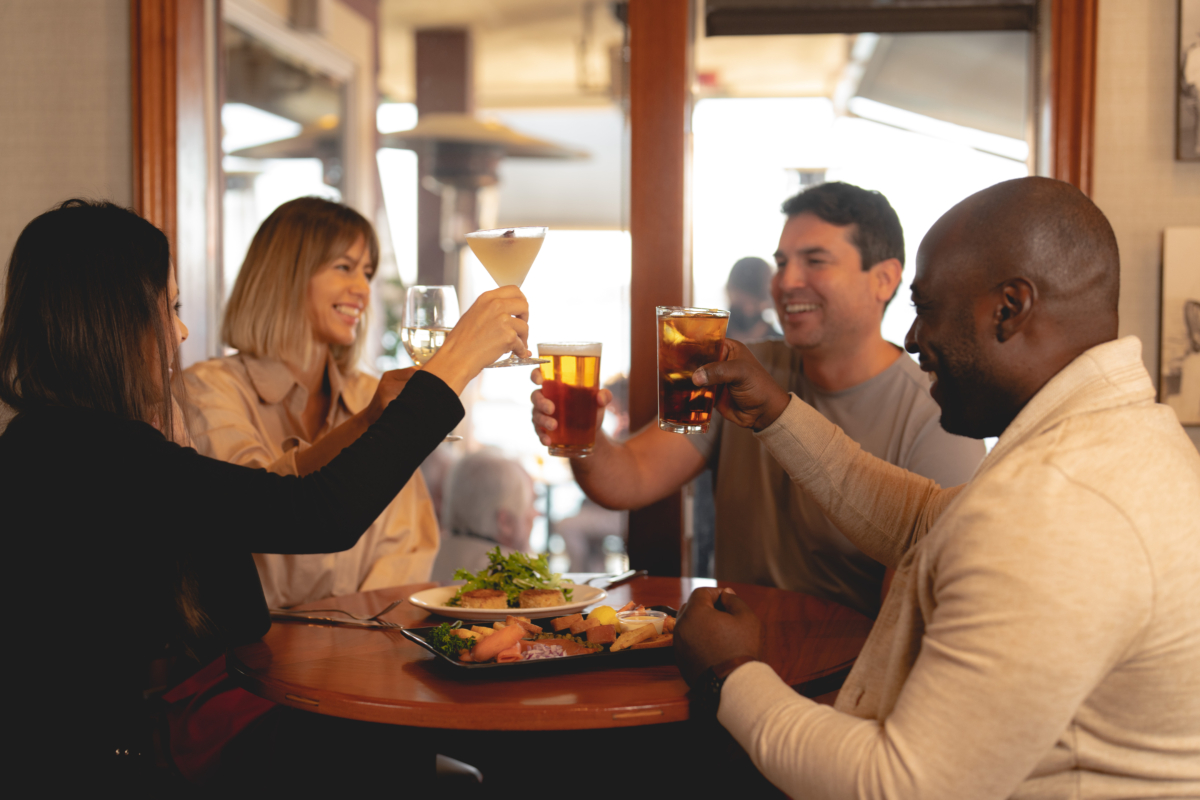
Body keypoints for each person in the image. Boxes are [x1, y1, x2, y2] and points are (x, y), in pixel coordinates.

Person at [673, 177, 1200, 798]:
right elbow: (928, 520)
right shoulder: (1109, 439)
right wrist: (777, 413)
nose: (915, 341)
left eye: (926, 309)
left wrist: (730, 673)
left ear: (1010, 309)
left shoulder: (1062, 506)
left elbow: (900, 787)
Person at [0, 200, 530, 789]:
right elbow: (319, 516)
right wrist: (453, 366)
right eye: (169, 308)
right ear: (111, 317)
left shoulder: (55, 441)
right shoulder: (91, 451)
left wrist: (178, 457)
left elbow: (236, 615)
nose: (180, 331)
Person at [531, 182, 984, 617]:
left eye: (815, 261)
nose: (786, 281)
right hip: (728, 657)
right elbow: (628, 479)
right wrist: (584, 435)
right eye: (781, 262)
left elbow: (917, 609)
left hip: (842, 682)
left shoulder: (937, 412)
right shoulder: (742, 369)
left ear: (884, 279)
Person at [185, 198, 437, 608]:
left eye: (367, 273)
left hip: (363, 650)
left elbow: (408, 547)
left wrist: (355, 639)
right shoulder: (207, 390)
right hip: (247, 658)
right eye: (344, 267)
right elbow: (261, 510)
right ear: (285, 274)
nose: (362, 290)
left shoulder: (370, 392)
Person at [430, 450, 536, 582]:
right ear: (505, 522)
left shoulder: (423, 557)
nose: (537, 514)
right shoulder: (513, 578)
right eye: (532, 502)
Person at [724, 256, 782, 341]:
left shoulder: (780, 346)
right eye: (741, 302)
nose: (748, 310)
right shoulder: (712, 341)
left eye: (754, 303)